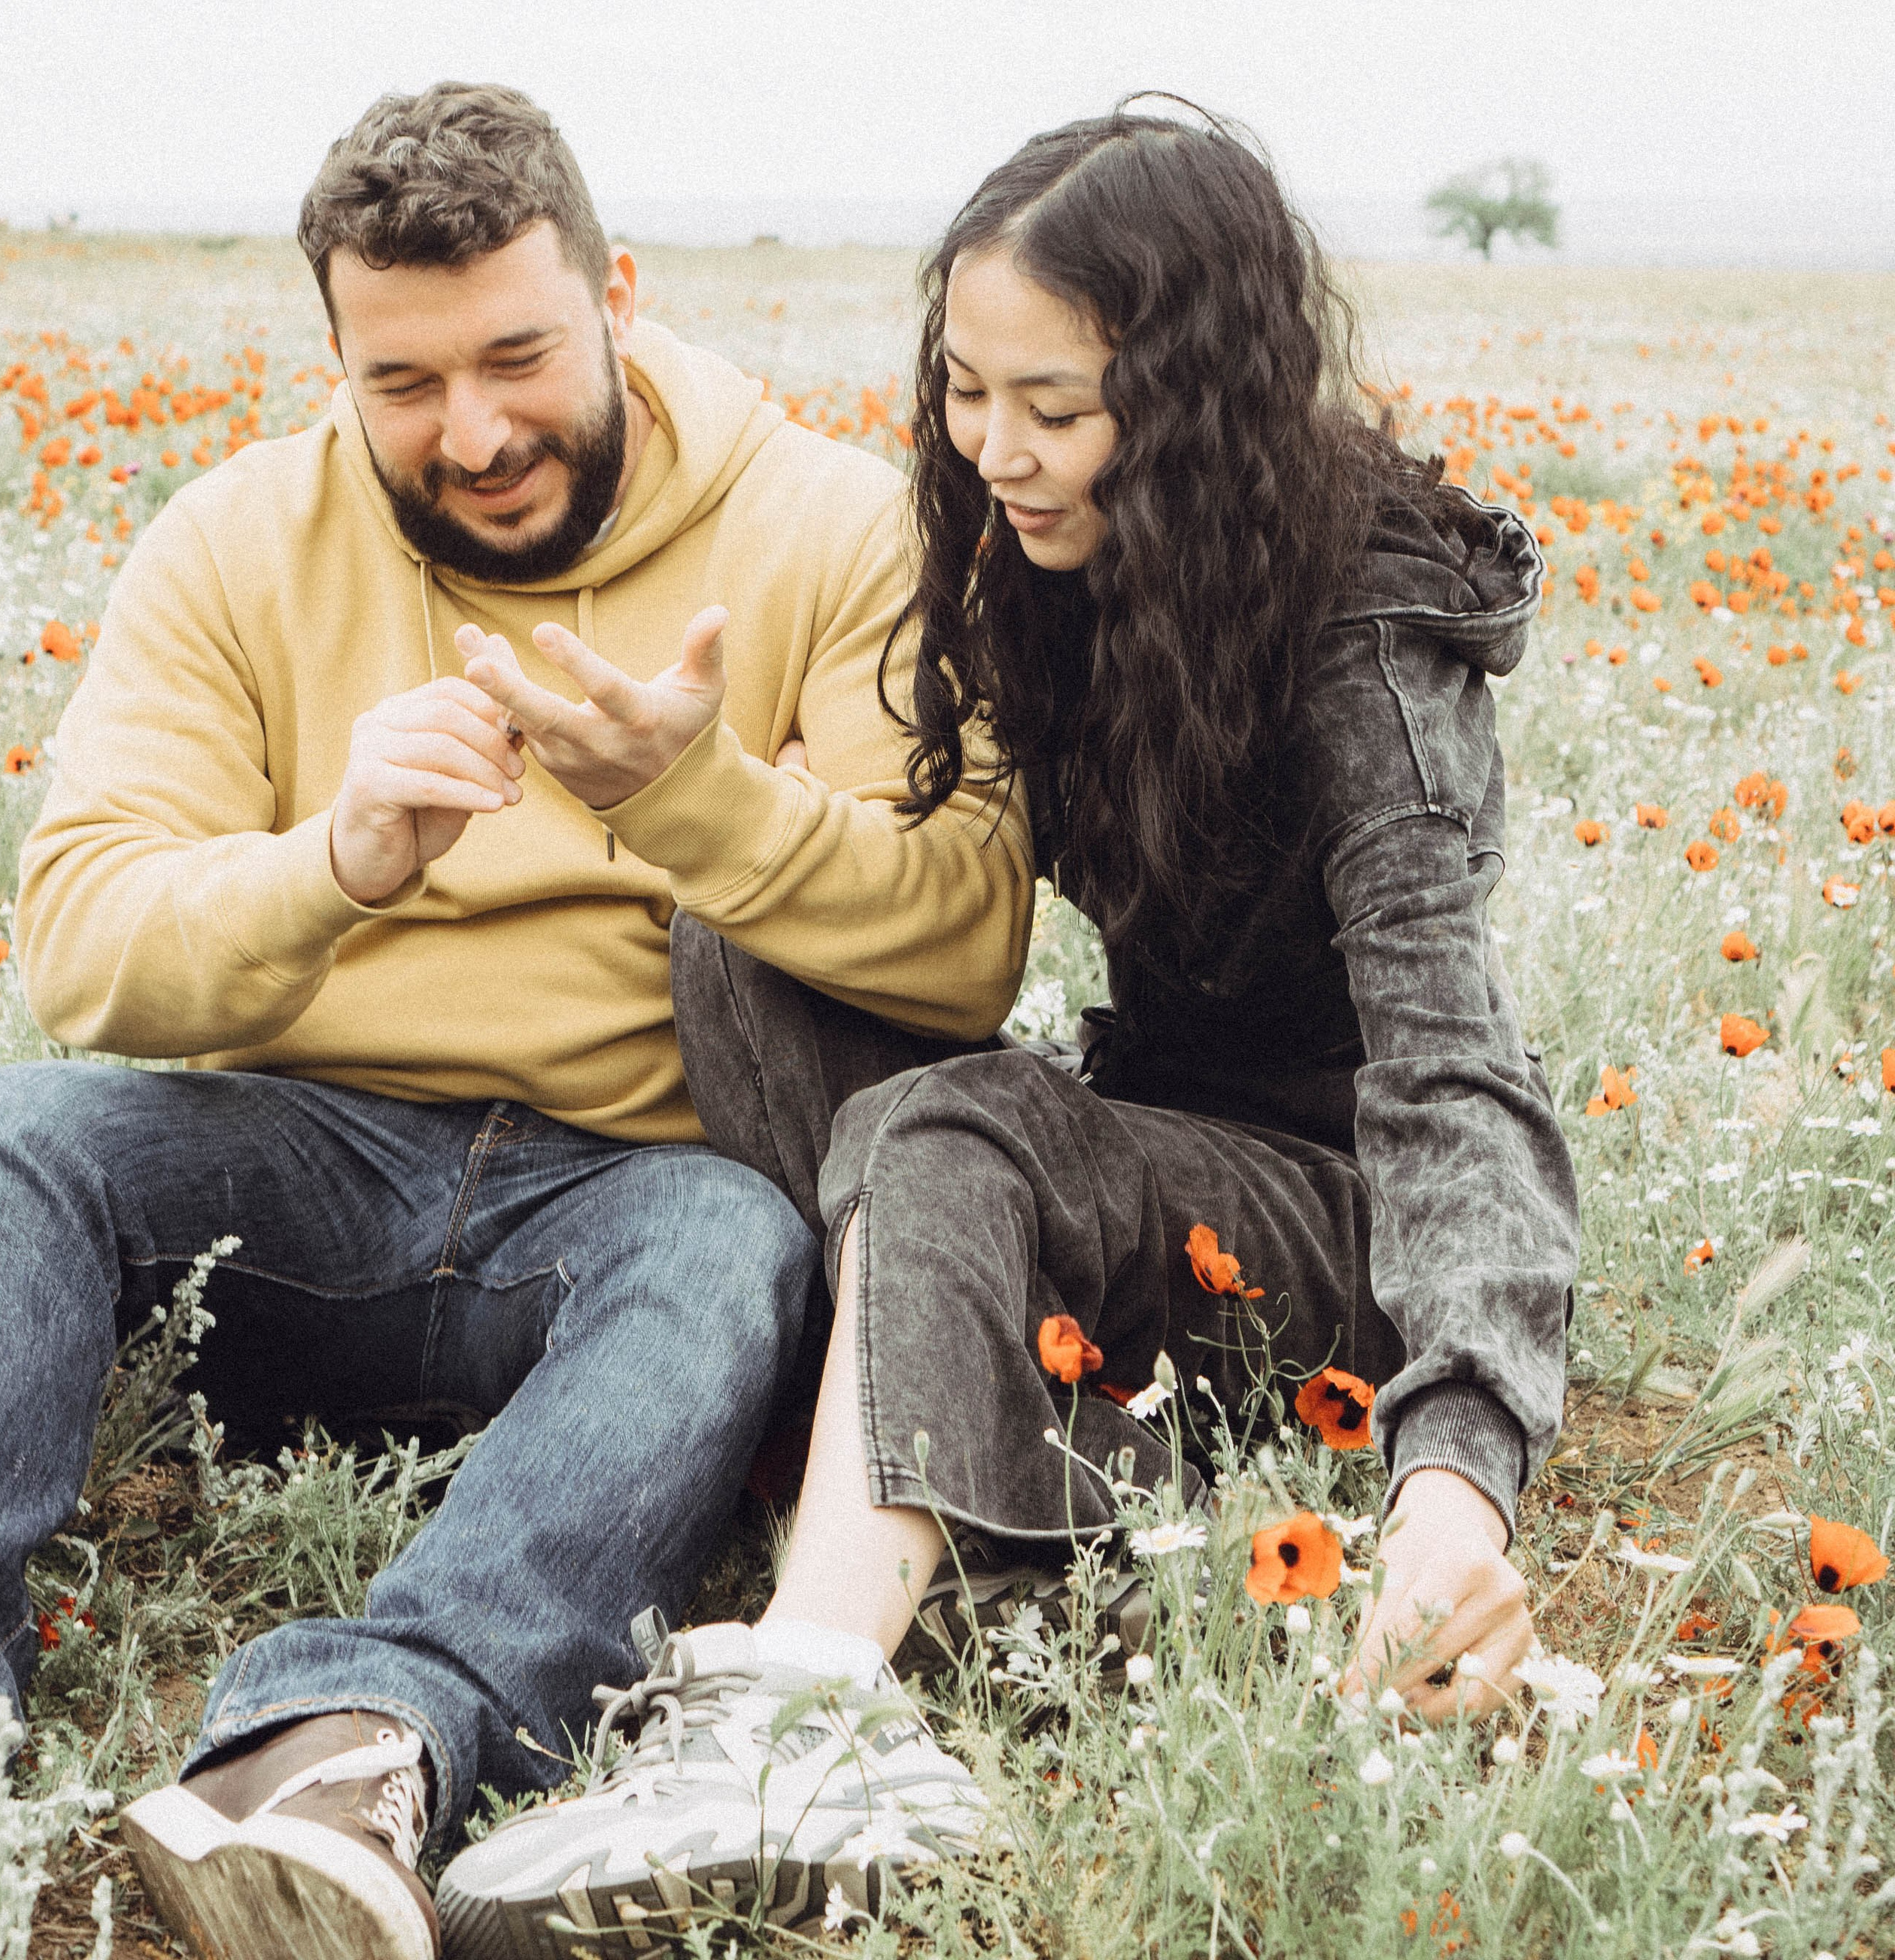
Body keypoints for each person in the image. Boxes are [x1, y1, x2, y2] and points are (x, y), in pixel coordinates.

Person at [436, 104, 1581, 1955]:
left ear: (1199, 395)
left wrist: (1453, 1480)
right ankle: (927, 1470)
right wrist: (698, 795)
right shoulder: (1032, 570)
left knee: (958, 1127)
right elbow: (910, 895)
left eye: (1054, 407)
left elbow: (1452, 1067)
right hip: (1136, 1137)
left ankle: (810, 1720)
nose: (994, 452)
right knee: (752, 940)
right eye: (967, 392)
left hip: (1323, 1204)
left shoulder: (1365, 622)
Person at [0, 82, 1031, 1960]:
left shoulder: (832, 528)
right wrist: (335, 863)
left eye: (518, 356)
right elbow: (78, 938)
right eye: (402, 383)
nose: (471, 433)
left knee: (737, 1246)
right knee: (6, 1137)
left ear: (616, 293)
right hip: (298, 1164)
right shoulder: (234, 541)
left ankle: (347, 1746)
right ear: (336, 364)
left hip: (635, 1188)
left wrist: (694, 800)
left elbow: (962, 942)